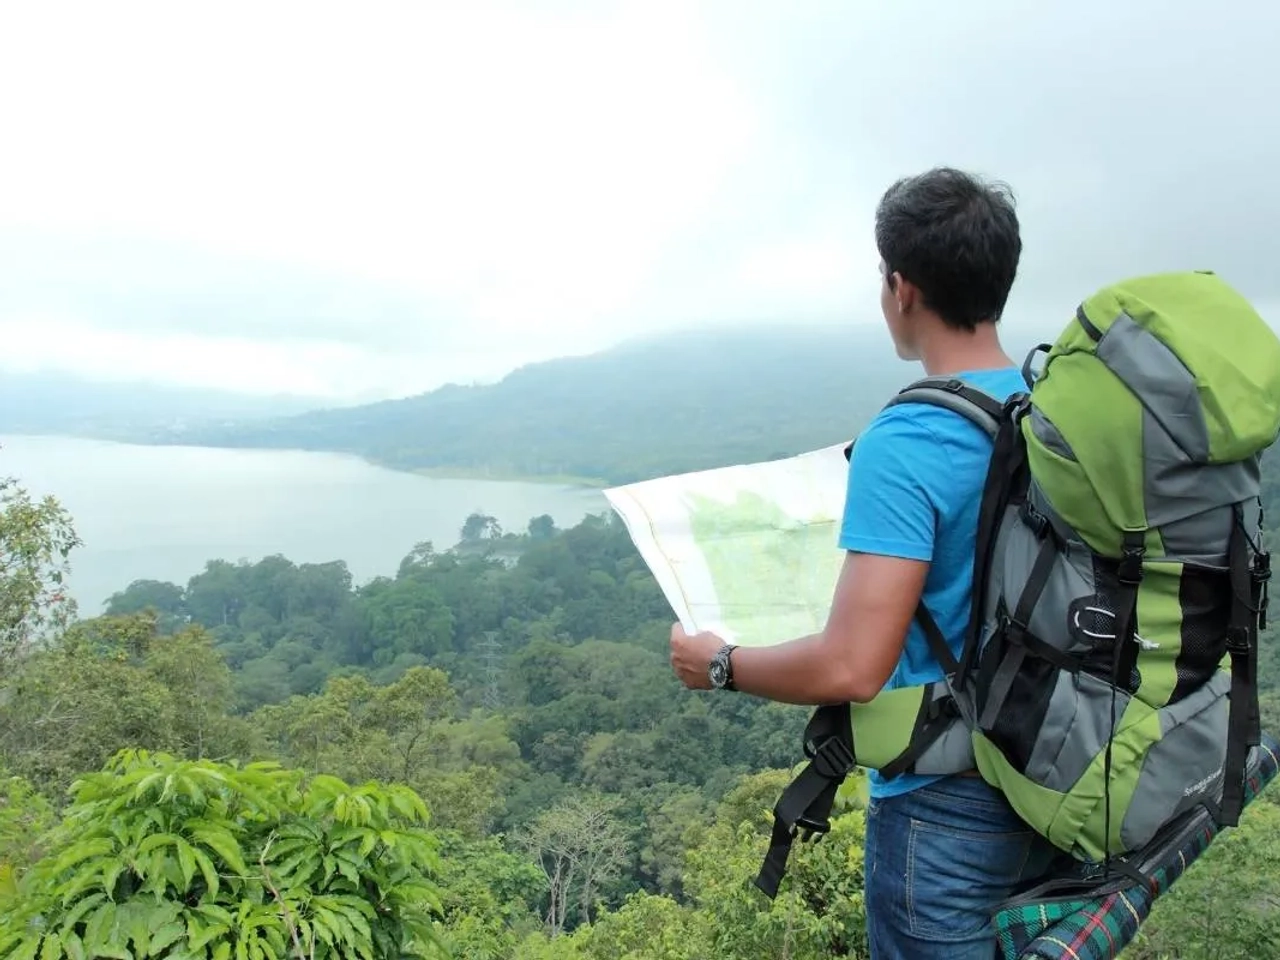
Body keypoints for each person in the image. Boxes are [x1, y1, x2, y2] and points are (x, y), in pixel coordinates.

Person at [669, 166, 1060, 958]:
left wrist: (719, 664)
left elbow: (852, 667)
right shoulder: (1050, 408)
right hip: (1057, 781)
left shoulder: (911, 438)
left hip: (946, 813)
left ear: (902, 286)